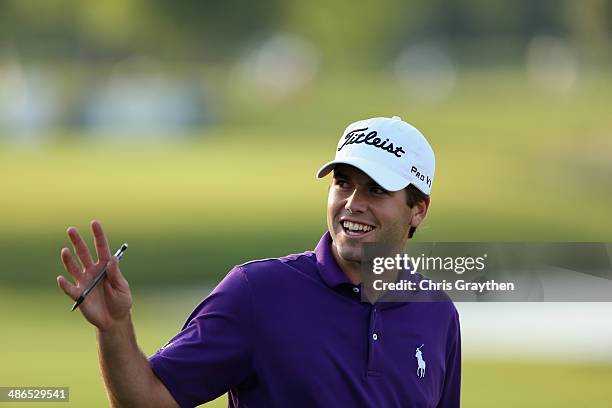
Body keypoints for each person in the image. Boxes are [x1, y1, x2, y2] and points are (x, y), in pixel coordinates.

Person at [57, 116, 461, 408]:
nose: (353, 203)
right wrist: (114, 329)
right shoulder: (258, 292)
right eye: (343, 183)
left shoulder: (437, 314)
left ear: (418, 210)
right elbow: (149, 400)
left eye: (375, 190)